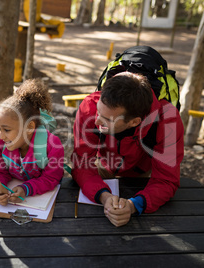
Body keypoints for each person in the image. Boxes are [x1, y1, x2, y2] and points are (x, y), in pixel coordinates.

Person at [72, 72, 184, 227]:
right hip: (104, 165)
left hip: (141, 174)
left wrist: (134, 205)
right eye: (99, 111)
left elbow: (166, 179)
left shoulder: (168, 120)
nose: (96, 120)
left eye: (107, 119)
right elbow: (82, 164)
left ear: (134, 122)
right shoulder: (90, 106)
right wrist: (103, 196)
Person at [0, 79, 64, 205]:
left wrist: (26, 188)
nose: (0, 136)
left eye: (6, 130)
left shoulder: (52, 146)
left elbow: (51, 178)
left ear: (29, 127)